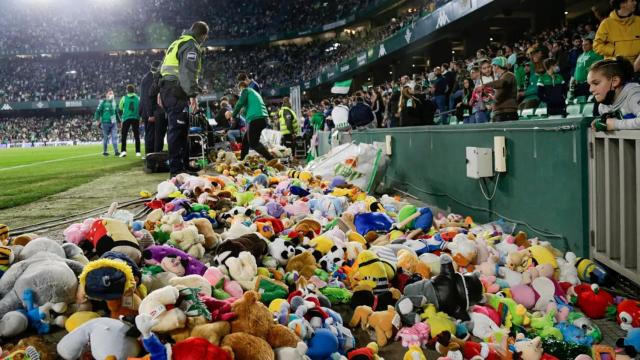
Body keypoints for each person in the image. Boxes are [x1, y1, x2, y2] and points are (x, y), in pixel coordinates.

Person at [159, 21, 209, 177]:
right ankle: (176, 171)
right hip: (177, 90)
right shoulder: (191, 44)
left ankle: (183, 166)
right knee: (177, 130)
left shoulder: (177, 42)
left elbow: (164, 69)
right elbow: (188, 72)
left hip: (168, 88)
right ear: (203, 35)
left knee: (180, 129)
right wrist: (193, 95)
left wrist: (160, 92)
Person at [589, 57, 640, 131]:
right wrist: (602, 122)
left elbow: (614, 124)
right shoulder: (603, 107)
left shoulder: (634, 95)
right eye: (589, 85)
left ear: (614, 81)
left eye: (596, 83)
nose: (590, 89)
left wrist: (615, 124)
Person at [232, 80, 273, 160]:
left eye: (240, 90)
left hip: (256, 119)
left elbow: (240, 103)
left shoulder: (246, 90)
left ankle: (270, 158)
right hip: (262, 118)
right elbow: (246, 110)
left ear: (241, 88)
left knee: (254, 143)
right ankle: (243, 158)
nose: (240, 93)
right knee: (246, 139)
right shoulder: (253, 93)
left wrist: (233, 115)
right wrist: (242, 111)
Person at [593, 0, 640, 64]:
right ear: (622, 4)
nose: (635, 2)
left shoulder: (638, 21)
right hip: (616, 68)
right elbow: (596, 46)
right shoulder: (606, 23)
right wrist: (614, 51)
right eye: (632, 0)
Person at [139, 60, 166, 155]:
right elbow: (147, 97)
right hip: (150, 111)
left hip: (150, 110)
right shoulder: (149, 78)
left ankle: (152, 155)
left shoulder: (148, 77)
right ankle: (150, 156)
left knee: (153, 134)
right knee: (151, 134)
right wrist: (150, 114)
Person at [483, 57, 518, 122]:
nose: (492, 69)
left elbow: (502, 83)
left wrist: (484, 85)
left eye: (493, 66)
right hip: (500, 112)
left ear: (497, 66)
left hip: (506, 113)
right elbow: (499, 96)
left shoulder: (508, 75)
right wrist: (490, 102)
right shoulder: (502, 77)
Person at [94, 89, 120, 156]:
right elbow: (97, 111)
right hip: (105, 122)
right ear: (107, 95)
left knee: (114, 137)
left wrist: (120, 121)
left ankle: (116, 151)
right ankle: (105, 152)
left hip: (113, 123)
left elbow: (116, 113)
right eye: (110, 93)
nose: (111, 95)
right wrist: (97, 120)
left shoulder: (114, 103)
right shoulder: (103, 102)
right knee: (106, 137)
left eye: (112, 93)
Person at [118, 84, 141, 157]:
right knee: (136, 135)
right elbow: (141, 108)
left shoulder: (124, 98)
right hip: (136, 118)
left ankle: (123, 151)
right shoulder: (138, 98)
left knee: (124, 135)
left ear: (127, 90)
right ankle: (138, 152)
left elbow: (120, 108)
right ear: (134, 90)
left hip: (126, 118)